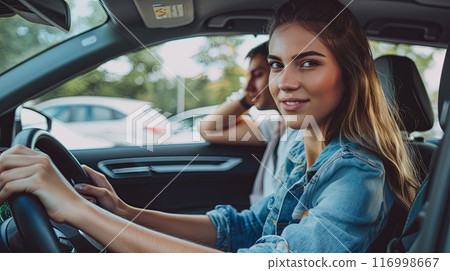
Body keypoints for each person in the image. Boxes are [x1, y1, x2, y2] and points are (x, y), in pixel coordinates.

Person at [0, 0, 420, 252]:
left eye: (308, 63)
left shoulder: (358, 174)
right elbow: (248, 227)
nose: (284, 81)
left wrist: (75, 210)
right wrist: (124, 212)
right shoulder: (303, 145)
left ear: (350, 72)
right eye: (277, 65)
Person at [199, 42, 297, 203]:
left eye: (258, 75)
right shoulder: (275, 127)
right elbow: (208, 130)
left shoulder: (307, 130)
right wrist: (247, 98)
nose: (248, 85)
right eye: (248, 77)